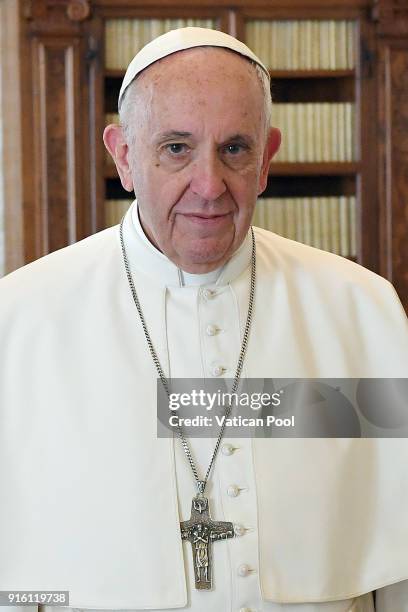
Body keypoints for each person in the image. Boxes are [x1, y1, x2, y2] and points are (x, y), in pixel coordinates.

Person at [0, 26, 408, 612]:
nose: (209, 186)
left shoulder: (359, 310)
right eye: (176, 148)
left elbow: (396, 558)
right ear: (123, 156)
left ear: (266, 159)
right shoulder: (21, 322)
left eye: (234, 149)